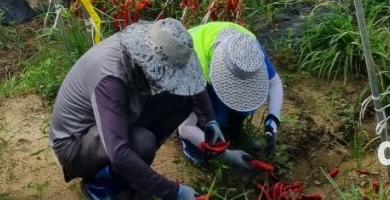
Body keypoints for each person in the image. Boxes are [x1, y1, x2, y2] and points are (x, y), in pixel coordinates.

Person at [49, 19, 214, 200]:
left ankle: (133, 171)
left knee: (180, 101)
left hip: (104, 125)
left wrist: (210, 120)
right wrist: (174, 192)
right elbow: (119, 152)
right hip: (75, 145)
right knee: (142, 142)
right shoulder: (111, 79)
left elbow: (192, 83)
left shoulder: (157, 40)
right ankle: (103, 184)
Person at [178, 23, 284, 169]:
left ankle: (231, 128)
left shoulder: (250, 49)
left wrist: (272, 122)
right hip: (190, 77)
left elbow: (275, 83)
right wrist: (226, 155)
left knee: (245, 101)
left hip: (212, 67)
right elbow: (185, 127)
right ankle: (191, 145)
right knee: (203, 114)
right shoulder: (193, 66)